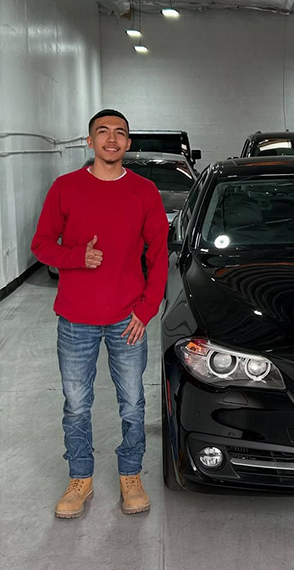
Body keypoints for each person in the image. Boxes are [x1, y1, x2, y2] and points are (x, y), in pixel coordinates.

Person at [31, 109, 169, 518]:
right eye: (103, 132)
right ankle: (81, 478)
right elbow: (41, 245)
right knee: (76, 404)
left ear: (128, 143)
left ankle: (130, 475)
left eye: (120, 133)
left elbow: (159, 256)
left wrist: (146, 309)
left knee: (133, 403)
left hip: (128, 320)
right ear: (89, 141)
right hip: (76, 320)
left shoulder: (144, 191)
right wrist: (77, 257)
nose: (112, 139)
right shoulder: (65, 188)